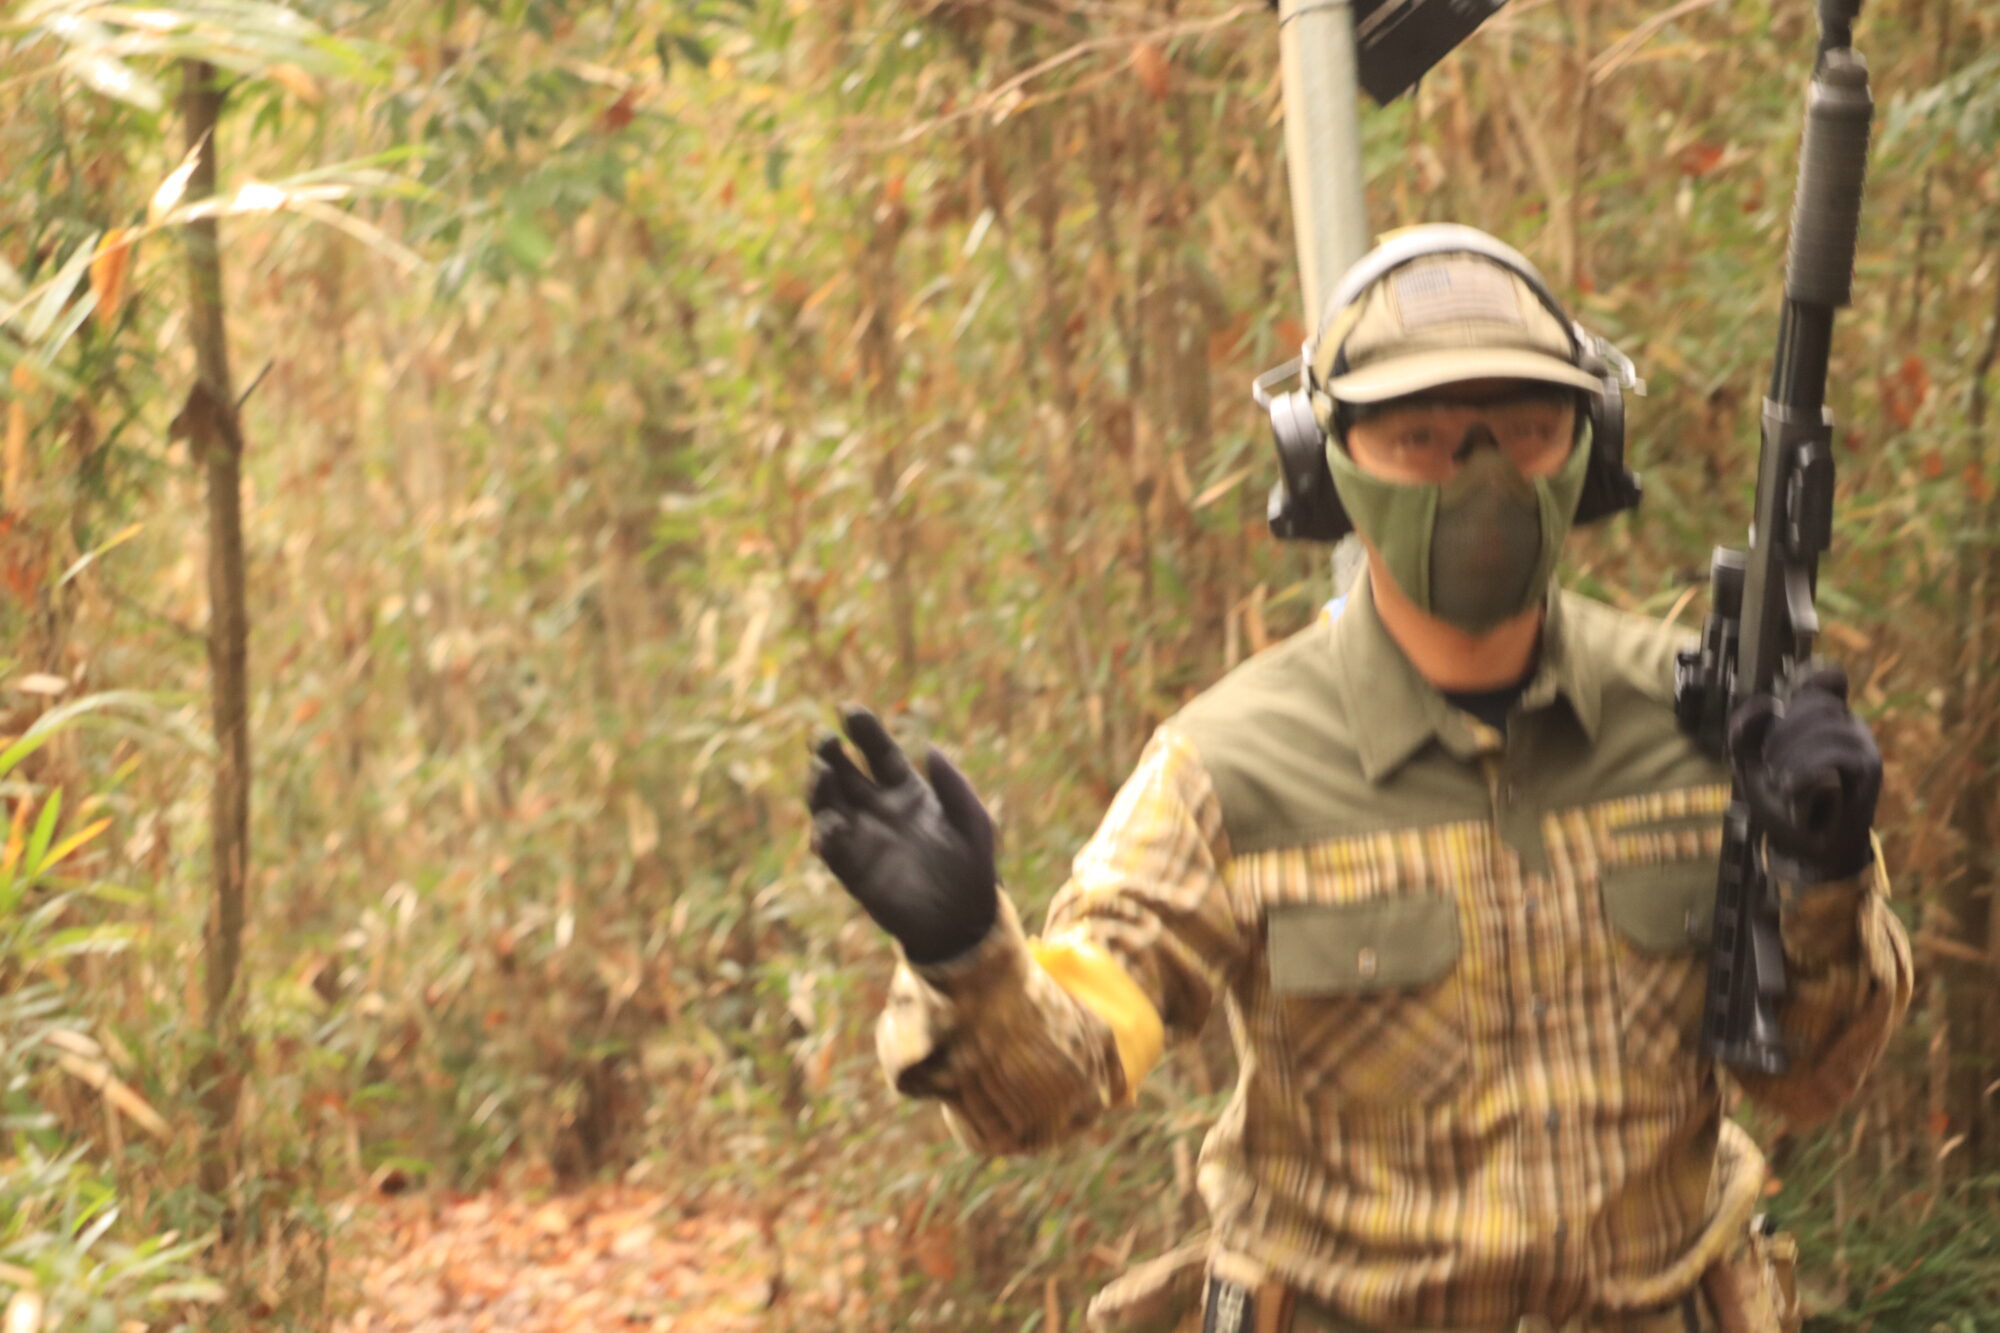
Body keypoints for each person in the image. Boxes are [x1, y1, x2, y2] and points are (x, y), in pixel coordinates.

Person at [805, 226, 1912, 1333]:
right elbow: (1057, 1083)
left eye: (1528, 431)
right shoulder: (1227, 767)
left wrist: (1823, 872)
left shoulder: (1708, 726)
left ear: (1593, 446)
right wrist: (965, 957)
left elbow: (1810, 1078)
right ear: (1320, 459)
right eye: (1420, 436)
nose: (1481, 476)